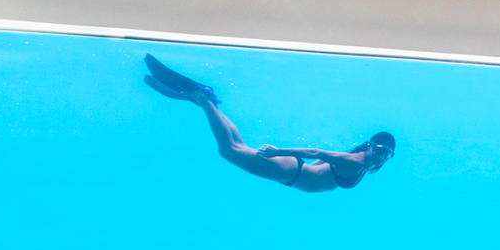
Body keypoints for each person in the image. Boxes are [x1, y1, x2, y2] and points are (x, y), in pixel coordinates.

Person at [142, 54, 395, 191]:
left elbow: (321, 163)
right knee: (227, 150)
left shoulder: (360, 162)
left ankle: (208, 102)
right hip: (291, 171)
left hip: (292, 173)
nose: (382, 156)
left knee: (237, 146)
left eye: (388, 154)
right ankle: (201, 97)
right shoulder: (355, 161)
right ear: (370, 146)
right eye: (380, 150)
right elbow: (315, 152)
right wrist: (278, 151)